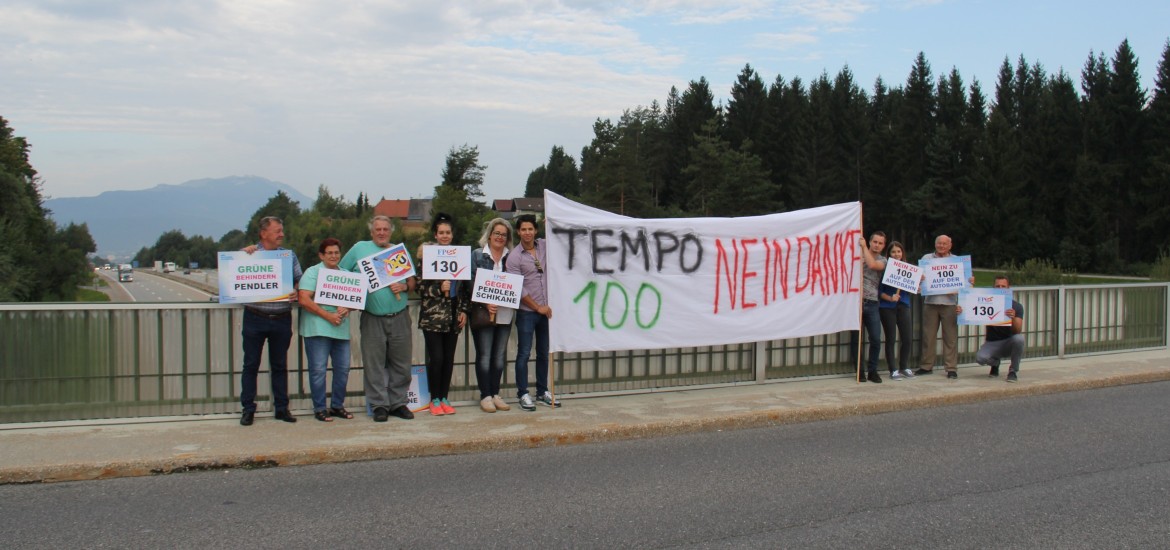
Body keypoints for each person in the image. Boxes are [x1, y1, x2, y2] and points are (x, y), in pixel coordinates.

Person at [339, 215, 417, 422]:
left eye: (385, 229)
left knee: (401, 363)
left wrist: (404, 286)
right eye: (378, 229)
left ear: (391, 231)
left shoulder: (398, 251)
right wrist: (352, 291)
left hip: (400, 315)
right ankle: (379, 405)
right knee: (373, 364)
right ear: (371, 232)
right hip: (372, 317)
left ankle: (399, 402)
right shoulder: (359, 249)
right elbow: (341, 272)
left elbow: (412, 281)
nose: (382, 233)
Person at [239, 216, 303, 426]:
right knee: (250, 365)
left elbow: (299, 280)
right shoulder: (249, 255)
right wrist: (242, 254)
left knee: (280, 365)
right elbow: (233, 276)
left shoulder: (288, 256)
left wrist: (296, 291)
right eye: (277, 231)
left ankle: (281, 408)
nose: (281, 234)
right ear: (264, 233)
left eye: (282, 230)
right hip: (255, 317)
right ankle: (248, 409)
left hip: (282, 318)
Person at [416, 213, 470, 416]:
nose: (445, 236)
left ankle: (445, 396)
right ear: (435, 235)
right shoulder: (426, 256)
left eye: (448, 232)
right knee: (436, 358)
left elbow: (465, 287)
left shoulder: (460, 255)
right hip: (433, 317)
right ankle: (434, 398)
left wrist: (464, 309)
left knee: (448, 359)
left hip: (454, 316)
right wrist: (439, 288)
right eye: (441, 233)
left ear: (452, 234)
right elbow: (419, 287)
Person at [506, 214, 560, 411]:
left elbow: (560, 238)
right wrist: (537, 307)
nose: (527, 233)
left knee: (544, 353)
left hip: (547, 312)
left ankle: (542, 391)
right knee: (524, 353)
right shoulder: (514, 257)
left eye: (530, 229)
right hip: (527, 312)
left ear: (535, 230)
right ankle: (522, 393)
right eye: (523, 229)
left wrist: (553, 223)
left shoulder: (544, 246)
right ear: (518, 232)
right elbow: (517, 288)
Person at [297, 238, 353, 422]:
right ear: (321, 255)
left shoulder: (345, 274)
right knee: (318, 370)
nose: (334, 256)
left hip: (340, 328)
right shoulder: (313, 272)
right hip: (317, 327)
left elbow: (354, 300)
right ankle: (320, 408)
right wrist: (327, 315)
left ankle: (337, 405)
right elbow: (304, 299)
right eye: (329, 253)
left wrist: (347, 308)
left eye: (336, 252)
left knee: (343, 368)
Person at [469, 218, 515, 413]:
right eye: (496, 233)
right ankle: (485, 395)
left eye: (504, 235)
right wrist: (485, 301)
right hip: (483, 312)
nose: (500, 237)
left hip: (505, 313)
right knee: (485, 355)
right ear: (489, 235)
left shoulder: (511, 257)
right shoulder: (478, 255)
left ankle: (495, 393)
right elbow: (470, 281)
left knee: (498, 357)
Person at [916, 234, 968, 379]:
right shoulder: (927, 259)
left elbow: (965, 284)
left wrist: (970, 280)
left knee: (950, 337)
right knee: (928, 336)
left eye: (945, 244)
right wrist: (920, 279)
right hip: (930, 303)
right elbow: (918, 280)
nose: (942, 246)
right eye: (939, 243)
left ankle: (951, 368)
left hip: (950, 303)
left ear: (950, 245)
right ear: (935, 244)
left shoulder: (957, 260)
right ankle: (926, 366)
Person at [973, 275, 1025, 383]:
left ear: (1008, 288)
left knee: (1019, 339)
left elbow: (1018, 330)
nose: (1000, 288)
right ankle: (995, 364)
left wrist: (1013, 317)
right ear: (993, 288)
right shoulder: (987, 302)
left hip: (1009, 342)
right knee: (980, 358)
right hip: (992, 342)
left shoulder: (1016, 306)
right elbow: (970, 304)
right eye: (997, 286)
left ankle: (1013, 371)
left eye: (1003, 286)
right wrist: (961, 310)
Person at [878, 241, 914, 380]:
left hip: (903, 305)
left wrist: (918, 282)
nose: (896, 254)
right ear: (889, 254)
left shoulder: (909, 269)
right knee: (891, 339)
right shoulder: (884, 269)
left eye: (899, 251)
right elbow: (879, 291)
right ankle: (893, 369)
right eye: (893, 252)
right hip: (887, 307)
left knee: (907, 338)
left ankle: (904, 366)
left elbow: (914, 288)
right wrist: (889, 297)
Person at [858, 232, 887, 383]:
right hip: (856, 303)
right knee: (857, 340)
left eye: (880, 243)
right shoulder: (857, 254)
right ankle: (859, 370)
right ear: (870, 241)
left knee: (875, 338)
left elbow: (872, 265)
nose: (877, 245)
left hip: (872, 303)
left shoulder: (884, 260)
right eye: (874, 242)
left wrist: (863, 248)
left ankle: (872, 370)